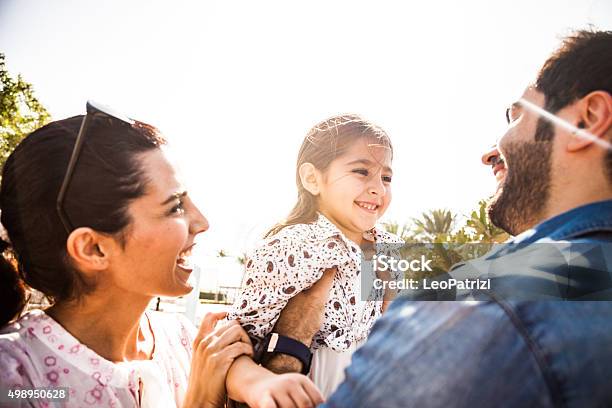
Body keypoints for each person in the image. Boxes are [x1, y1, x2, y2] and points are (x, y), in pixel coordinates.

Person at [286, 29, 612, 407]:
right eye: (361, 172)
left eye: (516, 116)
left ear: (587, 120)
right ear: (312, 179)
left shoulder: (480, 310)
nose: (490, 153)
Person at [0, 105, 322, 407]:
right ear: (93, 248)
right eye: (176, 207)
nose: (202, 222)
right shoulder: (15, 376)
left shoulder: (182, 339)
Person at [225, 114, 403, 397]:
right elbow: (238, 345)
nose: (378, 188)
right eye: (361, 171)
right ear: (312, 178)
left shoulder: (388, 248)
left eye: (387, 177)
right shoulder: (291, 246)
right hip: (306, 391)